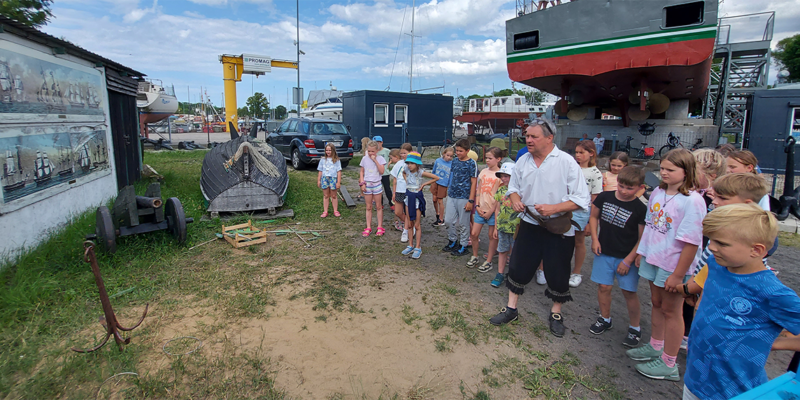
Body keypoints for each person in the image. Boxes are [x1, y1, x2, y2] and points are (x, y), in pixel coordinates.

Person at [682, 204, 800, 400]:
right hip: (695, 381)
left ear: (756, 250)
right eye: (711, 240)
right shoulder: (716, 265)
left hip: (736, 392)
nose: (711, 247)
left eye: (722, 243)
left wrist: (775, 343)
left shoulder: (773, 292)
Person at [488, 118, 591, 338]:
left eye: (534, 136)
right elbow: (513, 188)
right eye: (527, 136)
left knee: (558, 270)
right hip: (529, 222)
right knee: (518, 265)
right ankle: (511, 308)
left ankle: (556, 313)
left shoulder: (566, 162)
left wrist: (554, 207)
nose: (529, 140)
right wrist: (515, 199)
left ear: (549, 138)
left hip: (559, 227)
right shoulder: (523, 160)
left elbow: (582, 199)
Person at [626, 148, 706, 381]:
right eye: (662, 168)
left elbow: (691, 242)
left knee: (673, 311)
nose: (664, 173)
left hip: (673, 264)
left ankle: (669, 362)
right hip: (654, 258)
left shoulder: (693, 201)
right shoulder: (658, 193)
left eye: (670, 170)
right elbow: (650, 226)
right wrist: (642, 252)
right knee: (657, 303)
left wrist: (678, 274)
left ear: (686, 171)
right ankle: (655, 345)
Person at [588, 166, 647, 347]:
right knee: (604, 287)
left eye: (629, 188)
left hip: (625, 257)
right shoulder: (605, 197)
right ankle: (605, 318)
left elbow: (642, 238)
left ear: (640, 187)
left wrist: (629, 260)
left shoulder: (640, 208)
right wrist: (595, 239)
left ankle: (635, 328)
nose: (623, 191)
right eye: (621, 185)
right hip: (604, 251)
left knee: (629, 292)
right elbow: (593, 217)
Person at [570, 141, 603, 288]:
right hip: (567, 209)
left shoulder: (595, 174)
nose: (578, 155)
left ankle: (576, 272)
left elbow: (595, 199)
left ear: (591, 153)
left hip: (583, 212)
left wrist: (591, 221)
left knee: (579, 241)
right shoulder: (571, 168)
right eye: (576, 152)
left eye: (581, 152)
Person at [468, 147, 502, 272]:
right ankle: (475, 256)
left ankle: (489, 261)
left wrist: (491, 211)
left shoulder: (500, 175)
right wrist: (477, 206)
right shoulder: (483, 172)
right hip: (480, 209)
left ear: (498, 159)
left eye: (490, 158)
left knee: (492, 236)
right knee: (474, 233)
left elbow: (499, 196)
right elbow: (478, 190)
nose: (487, 160)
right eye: (486, 158)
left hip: (492, 211)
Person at [442, 139, 478, 257]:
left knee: (463, 223)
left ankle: (463, 244)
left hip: (464, 196)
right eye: (456, 150)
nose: (458, 153)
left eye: (460, 151)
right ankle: (452, 240)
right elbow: (453, 176)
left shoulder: (472, 163)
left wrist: (470, 200)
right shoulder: (455, 161)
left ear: (467, 151)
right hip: (452, 194)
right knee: (448, 220)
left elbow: (474, 182)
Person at [401, 152, 439, 259]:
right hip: (408, 197)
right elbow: (403, 172)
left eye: (412, 163)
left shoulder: (420, 172)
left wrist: (424, 184)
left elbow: (436, 178)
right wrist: (406, 180)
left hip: (416, 198)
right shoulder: (406, 170)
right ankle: (410, 245)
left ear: (417, 164)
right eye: (408, 163)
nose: (409, 165)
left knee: (417, 225)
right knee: (409, 223)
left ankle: (418, 246)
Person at [490, 162, 520, 288]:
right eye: (502, 176)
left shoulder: (520, 192)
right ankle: (500, 273)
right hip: (502, 226)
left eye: (506, 176)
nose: (503, 178)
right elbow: (497, 209)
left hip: (515, 228)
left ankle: (514, 275)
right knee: (502, 250)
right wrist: (496, 227)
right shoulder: (501, 190)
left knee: (516, 252)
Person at [359, 140, 387, 237]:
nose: (371, 153)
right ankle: (368, 226)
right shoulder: (364, 159)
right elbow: (361, 172)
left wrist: (375, 160)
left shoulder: (380, 159)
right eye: (369, 151)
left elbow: (382, 171)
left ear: (377, 150)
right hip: (367, 184)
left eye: (373, 151)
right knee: (368, 206)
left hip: (377, 184)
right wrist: (362, 183)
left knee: (378, 206)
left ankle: (379, 226)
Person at [391, 143, 413, 241]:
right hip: (399, 191)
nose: (403, 155)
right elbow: (395, 179)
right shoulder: (398, 164)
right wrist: (394, 192)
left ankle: (406, 230)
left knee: (408, 212)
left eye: (405, 153)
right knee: (398, 212)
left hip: (409, 191)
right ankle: (410, 225)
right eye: (401, 153)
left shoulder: (412, 164)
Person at [430, 147, 454, 227]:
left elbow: (451, 176)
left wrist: (449, 186)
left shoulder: (451, 164)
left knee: (440, 200)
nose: (449, 157)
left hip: (443, 184)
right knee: (434, 199)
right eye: (448, 155)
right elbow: (433, 171)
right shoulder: (438, 161)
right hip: (435, 181)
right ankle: (437, 213)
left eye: (451, 156)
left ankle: (441, 219)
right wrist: (431, 180)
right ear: (444, 154)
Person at [317, 143, 342, 218]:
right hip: (325, 178)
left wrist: (338, 182)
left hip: (333, 178)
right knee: (326, 195)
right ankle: (325, 211)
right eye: (326, 150)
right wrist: (319, 180)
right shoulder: (322, 160)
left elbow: (339, 171)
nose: (328, 152)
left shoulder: (336, 160)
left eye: (330, 150)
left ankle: (335, 210)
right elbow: (320, 170)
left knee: (334, 195)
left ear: (333, 151)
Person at [374, 136, 393, 209]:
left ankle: (391, 203)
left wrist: (389, 162)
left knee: (387, 188)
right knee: (378, 189)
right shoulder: (374, 152)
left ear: (381, 142)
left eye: (378, 142)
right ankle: (380, 204)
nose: (377, 144)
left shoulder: (386, 151)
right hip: (376, 173)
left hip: (385, 173)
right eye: (375, 143)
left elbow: (393, 156)